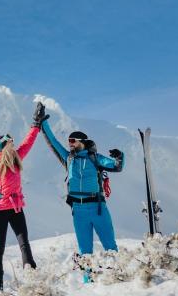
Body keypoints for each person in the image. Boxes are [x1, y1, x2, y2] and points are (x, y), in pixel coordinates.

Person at [39, 114, 124, 273]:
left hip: (98, 208)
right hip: (78, 211)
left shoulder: (95, 158)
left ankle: (117, 275)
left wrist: (119, 157)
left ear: (82, 143)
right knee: (85, 250)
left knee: (110, 246)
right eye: (69, 141)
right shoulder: (68, 159)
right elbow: (53, 142)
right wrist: (43, 123)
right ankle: (88, 281)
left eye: (73, 141)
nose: (69, 144)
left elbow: (116, 166)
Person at [0, 102, 47, 291]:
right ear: (3, 146)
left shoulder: (16, 157)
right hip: (0, 210)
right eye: (10, 143)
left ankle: (33, 278)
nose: (14, 145)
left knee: (24, 243)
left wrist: (36, 124)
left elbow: (28, 142)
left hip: (16, 207)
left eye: (13, 143)